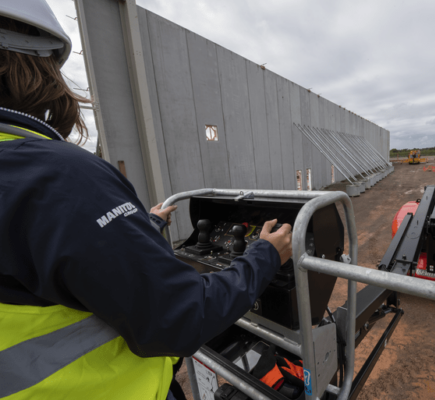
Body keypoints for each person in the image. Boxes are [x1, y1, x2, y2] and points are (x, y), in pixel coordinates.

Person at [0, 1, 292, 399]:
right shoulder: (56, 175)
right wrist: (265, 256)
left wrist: (144, 226)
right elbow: (179, 317)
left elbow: (62, 254)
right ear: (37, 61)